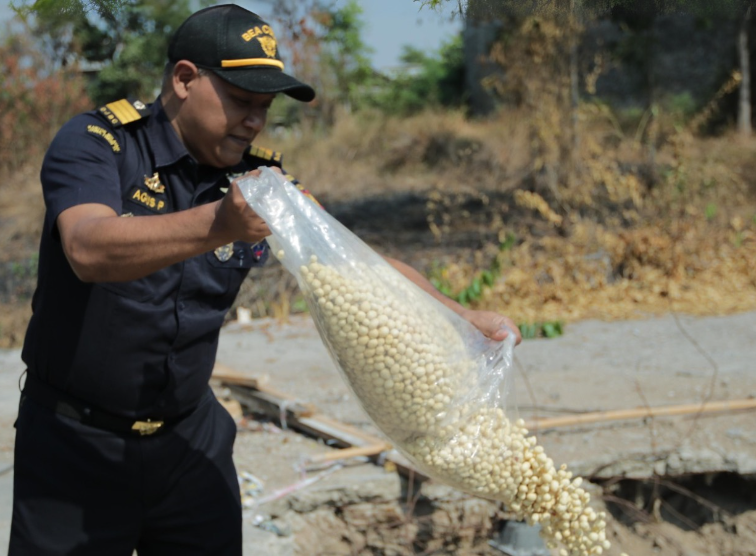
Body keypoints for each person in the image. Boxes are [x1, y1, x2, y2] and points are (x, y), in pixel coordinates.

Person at [10, 4, 521, 555]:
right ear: (184, 79)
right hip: (74, 446)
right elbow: (88, 247)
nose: (255, 120)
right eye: (241, 101)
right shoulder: (100, 143)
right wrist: (218, 223)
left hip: (187, 441)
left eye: (265, 107)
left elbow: (353, 262)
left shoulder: (259, 182)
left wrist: (462, 317)